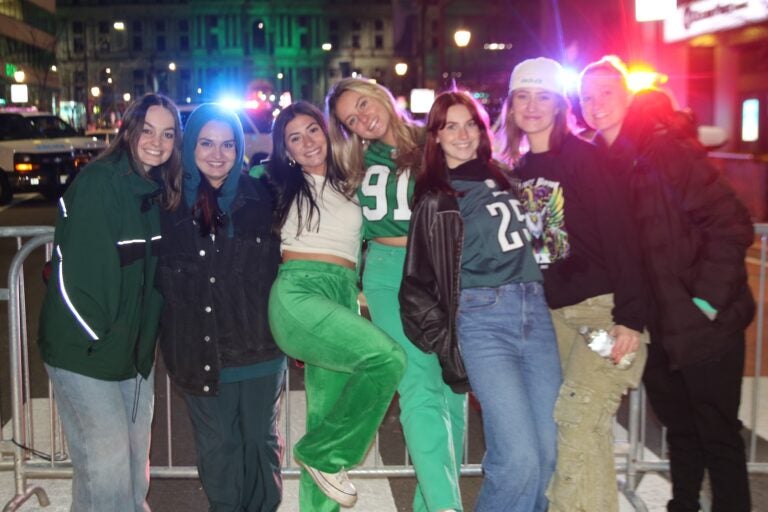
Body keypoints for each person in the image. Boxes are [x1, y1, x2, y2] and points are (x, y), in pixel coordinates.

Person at [580, 57, 756, 512]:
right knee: (680, 429)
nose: (596, 105)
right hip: (655, 325)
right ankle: (683, 504)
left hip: (702, 320)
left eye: (606, 93)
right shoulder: (606, 162)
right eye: (587, 96)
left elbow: (733, 223)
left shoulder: (666, 151)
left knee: (716, 431)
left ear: (627, 96)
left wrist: (706, 302)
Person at [497, 57, 650, 512]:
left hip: (603, 311)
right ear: (510, 105)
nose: (532, 105)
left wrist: (631, 319)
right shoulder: (517, 168)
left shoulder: (586, 159)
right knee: (584, 430)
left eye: (544, 95)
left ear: (560, 104)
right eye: (522, 95)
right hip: (552, 318)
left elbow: (624, 237)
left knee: (578, 420)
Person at [400, 90, 562, 511]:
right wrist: (449, 341)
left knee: (547, 456)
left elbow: (548, 240)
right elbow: (415, 287)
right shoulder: (435, 198)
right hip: (483, 321)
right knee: (519, 457)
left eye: (469, 123)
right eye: (449, 126)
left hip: (538, 315)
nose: (462, 134)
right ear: (434, 136)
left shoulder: (508, 176)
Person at [326, 77, 466, 512]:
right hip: (389, 274)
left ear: (382, 95)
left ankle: (433, 504)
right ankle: (447, 507)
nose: (363, 118)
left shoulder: (432, 140)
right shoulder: (354, 160)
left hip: (444, 267)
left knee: (454, 389)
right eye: (351, 118)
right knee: (418, 386)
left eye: (364, 104)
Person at [38, 93, 182, 511]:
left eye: (168, 134)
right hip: (85, 350)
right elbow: (76, 273)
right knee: (106, 462)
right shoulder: (101, 182)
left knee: (134, 464)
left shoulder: (155, 191)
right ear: (129, 130)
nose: (157, 142)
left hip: (132, 354)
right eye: (148, 130)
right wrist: (96, 335)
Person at [264, 101, 405, 511]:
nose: (307, 142)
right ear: (285, 150)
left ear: (327, 133)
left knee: (325, 419)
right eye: (295, 137)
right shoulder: (274, 183)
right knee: (387, 360)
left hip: (341, 295)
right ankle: (323, 453)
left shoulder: (355, 183)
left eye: (313, 130)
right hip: (298, 293)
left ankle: (322, 458)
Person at [155, 103, 285, 511]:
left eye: (228, 144)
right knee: (218, 451)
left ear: (240, 147)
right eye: (207, 143)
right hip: (198, 353)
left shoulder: (264, 197)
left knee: (259, 448)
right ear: (190, 145)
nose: (217, 153)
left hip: (260, 352)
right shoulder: (166, 205)